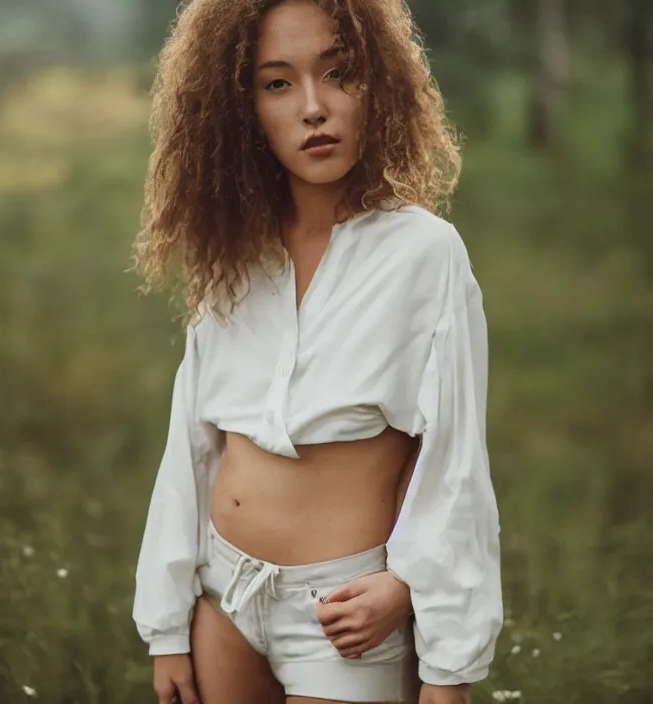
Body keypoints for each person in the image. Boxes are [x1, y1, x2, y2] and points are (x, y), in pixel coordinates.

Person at [132, 0, 503, 702]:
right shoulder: (232, 253)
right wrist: (167, 626)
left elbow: (454, 462)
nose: (313, 107)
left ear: (379, 86)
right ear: (240, 109)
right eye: (277, 83)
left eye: (339, 74)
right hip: (224, 602)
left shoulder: (424, 254)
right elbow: (193, 443)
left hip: (345, 616)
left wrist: (438, 649)